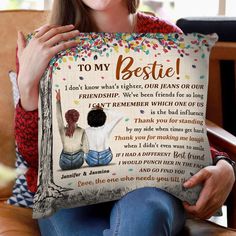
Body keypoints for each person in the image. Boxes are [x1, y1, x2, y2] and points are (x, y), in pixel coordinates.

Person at [15, 0, 235, 235]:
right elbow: (33, 157)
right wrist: (27, 87)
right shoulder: (44, 45)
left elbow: (183, 133)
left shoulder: (167, 39)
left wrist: (225, 164)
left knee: (147, 212)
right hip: (69, 196)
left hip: (149, 188)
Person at [55, 89, 88, 170]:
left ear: (66, 118)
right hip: (78, 162)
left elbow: (59, 117)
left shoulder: (62, 130)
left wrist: (58, 102)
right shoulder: (82, 130)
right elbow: (86, 150)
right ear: (77, 118)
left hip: (64, 163)